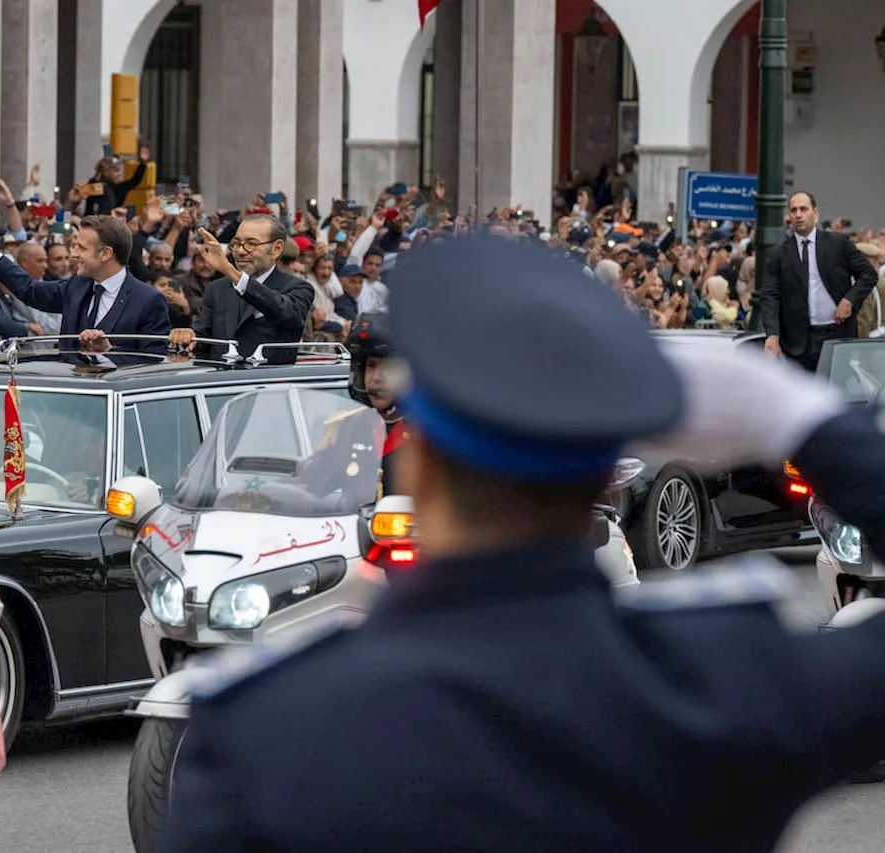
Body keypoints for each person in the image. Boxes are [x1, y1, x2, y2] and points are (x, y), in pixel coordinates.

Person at [160, 230, 885, 852]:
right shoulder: (726, 686)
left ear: (421, 464)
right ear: (607, 475)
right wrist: (798, 415)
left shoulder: (263, 735)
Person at [0, 206, 170, 365]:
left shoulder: (149, 300)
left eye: (82, 248)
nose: (74, 254)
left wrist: (107, 353)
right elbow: (29, 290)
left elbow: (152, 363)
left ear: (106, 254)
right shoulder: (77, 286)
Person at [170, 215, 315, 365]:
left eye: (251, 244)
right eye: (236, 243)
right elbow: (202, 341)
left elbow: (283, 310)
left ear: (276, 249)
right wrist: (186, 336)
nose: (240, 251)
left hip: (270, 384)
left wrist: (229, 270)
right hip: (218, 384)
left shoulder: (298, 288)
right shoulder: (216, 289)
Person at [759, 191, 878, 371]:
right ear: (789, 215)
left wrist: (849, 300)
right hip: (797, 342)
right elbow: (770, 296)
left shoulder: (838, 244)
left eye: (803, 209)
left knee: (836, 393)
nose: (798, 215)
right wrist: (772, 335)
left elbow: (869, 275)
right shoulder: (779, 254)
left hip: (836, 335)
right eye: (794, 210)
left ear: (815, 213)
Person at [345, 312, 406, 495]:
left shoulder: (430, 438)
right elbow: (312, 488)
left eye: (387, 367)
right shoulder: (348, 429)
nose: (377, 378)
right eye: (371, 365)